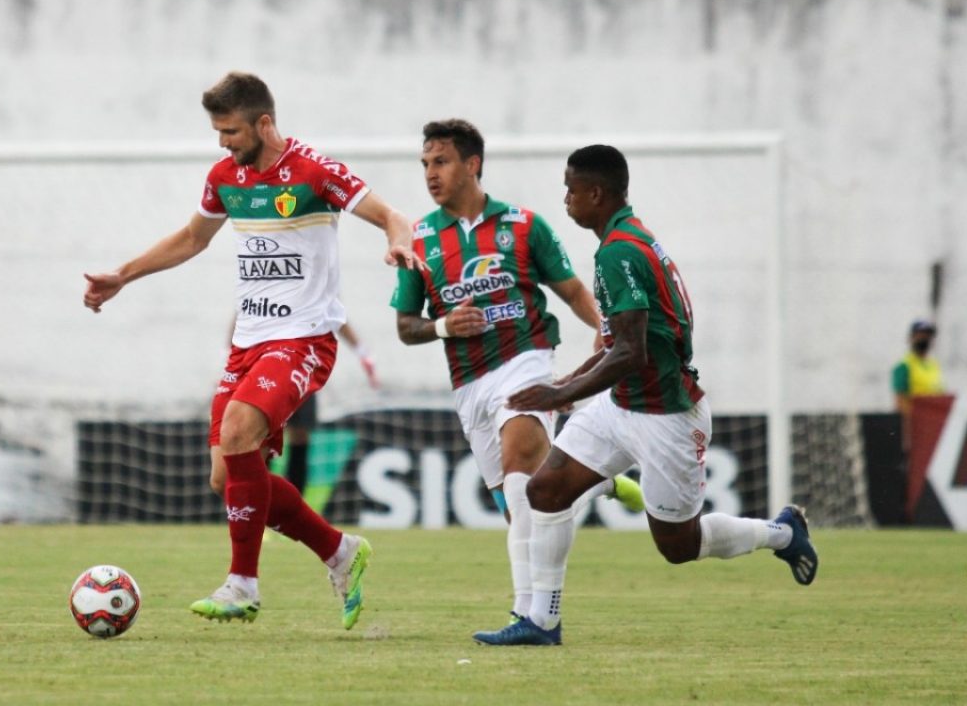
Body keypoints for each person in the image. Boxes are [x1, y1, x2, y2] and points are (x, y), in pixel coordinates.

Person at [83, 72, 423, 629]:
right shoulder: (225, 177)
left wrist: (398, 239)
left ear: (264, 123)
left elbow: (392, 215)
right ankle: (339, 551)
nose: (223, 143)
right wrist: (122, 276)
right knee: (229, 477)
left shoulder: (315, 171)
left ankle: (242, 585)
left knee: (239, 434)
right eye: (218, 132)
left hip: (304, 337)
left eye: (232, 131)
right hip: (248, 344)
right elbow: (192, 238)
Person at [495, 144, 819, 646]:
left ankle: (781, 533)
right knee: (545, 490)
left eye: (570, 189)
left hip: (666, 416)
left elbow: (630, 351)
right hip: (621, 404)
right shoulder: (626, 238)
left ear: (596, 193)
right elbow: (616, 343)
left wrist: (562, 389)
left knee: (679, 546)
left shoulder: (619, 250)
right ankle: (541, 621)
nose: (565, 198)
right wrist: (567, 391)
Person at [389, 120, 646, 644]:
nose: (430, 174)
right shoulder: (419, 237)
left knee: (521, 475)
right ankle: (594, 483)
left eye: (440, 162)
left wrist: (603, 327)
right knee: (518, 506)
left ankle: (531, 617)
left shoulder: (525, 226)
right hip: (468, 385)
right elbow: (404, 326)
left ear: (472, 164)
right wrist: (442, 325)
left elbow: (572, 289)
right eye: (425, 165)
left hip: (525, 360)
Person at [281, 321, 380, 497]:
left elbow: (337, 315)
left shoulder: (316, 294)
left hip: (302, 370)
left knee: (300, 437)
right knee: (260, 438)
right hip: (267, 366)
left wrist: (363, 353)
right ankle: (255, 506)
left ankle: (292, 505)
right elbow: (243, 311)